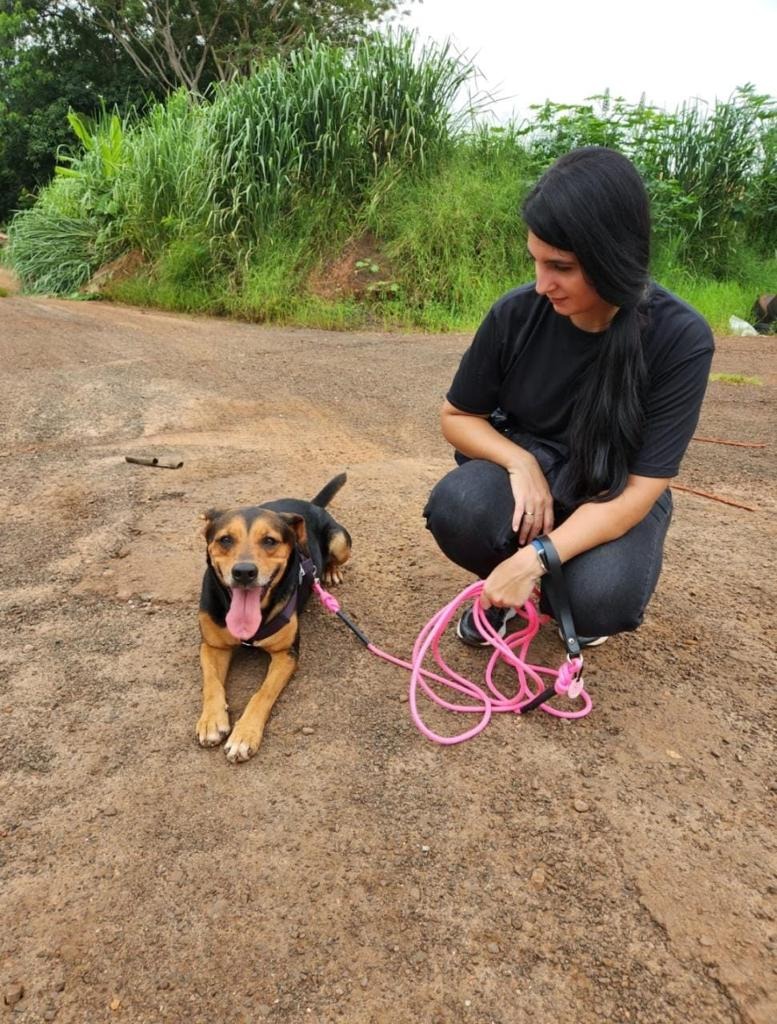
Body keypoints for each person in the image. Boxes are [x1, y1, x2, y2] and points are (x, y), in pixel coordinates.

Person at [423, 146, 714, 648]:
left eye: (560, 267)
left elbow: (641, 490)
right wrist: (519, 463)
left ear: (612, 257)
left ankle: (539, 586)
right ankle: (510, 591)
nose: (541, 285)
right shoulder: (515, 314)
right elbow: (457, 416)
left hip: (612, 488)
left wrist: (533, 559)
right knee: (458, 506)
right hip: (533, 471)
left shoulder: (680, 338)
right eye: (535, 261)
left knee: (601, 600)